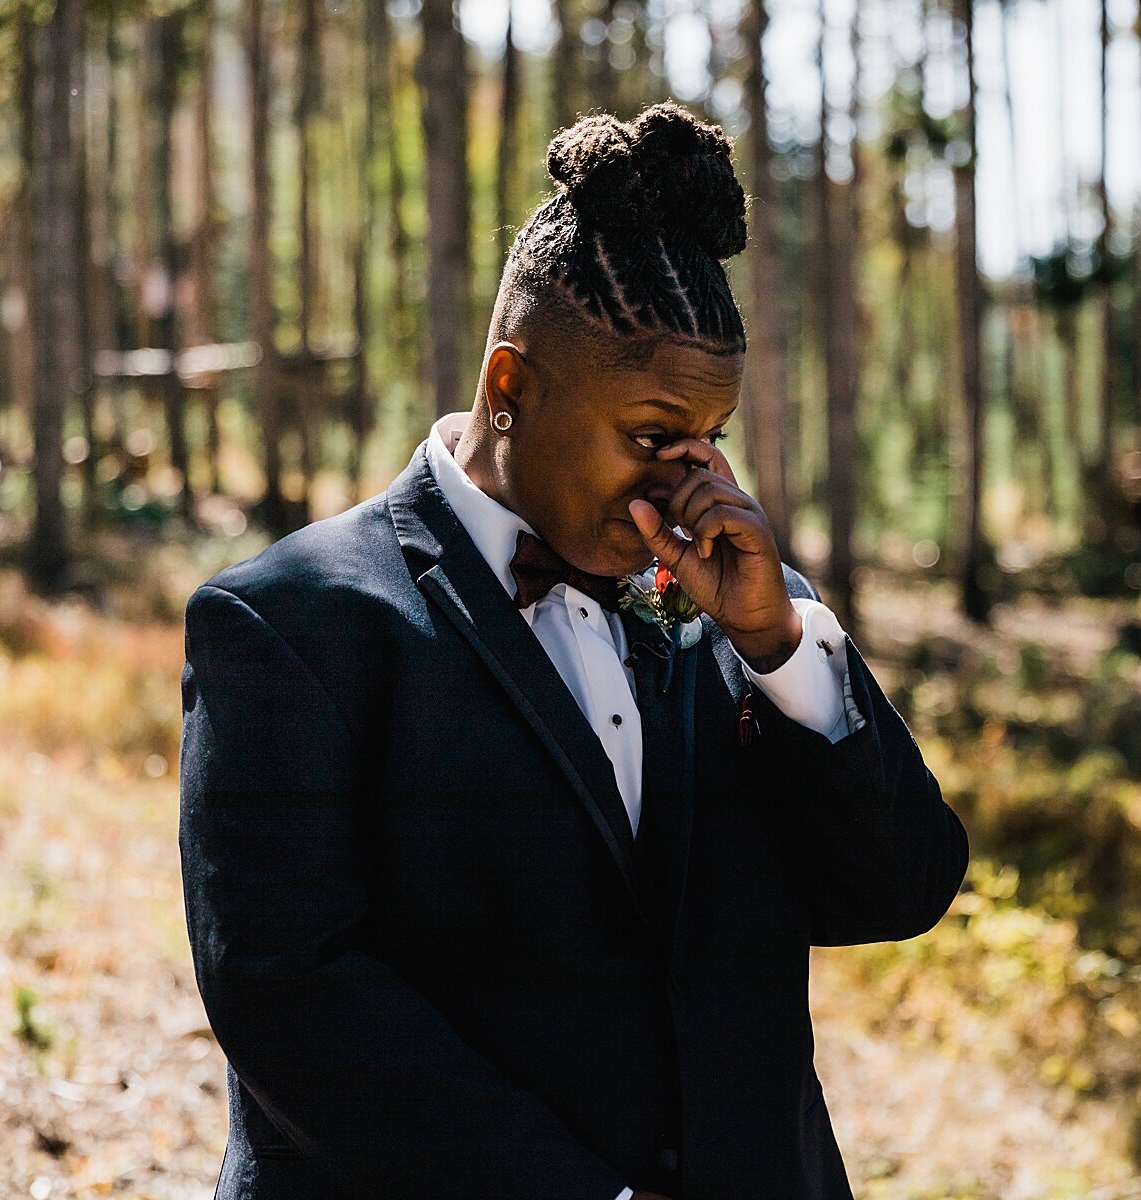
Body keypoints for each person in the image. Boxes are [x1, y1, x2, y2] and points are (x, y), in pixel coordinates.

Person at [178, 101, 968, 1200]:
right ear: (511, 388)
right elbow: (289, 996)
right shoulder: (291, 625)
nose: (687, 484)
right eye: (651, 437)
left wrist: (782, 648)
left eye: (709, 442)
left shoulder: (743, 609)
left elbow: (900, 891)